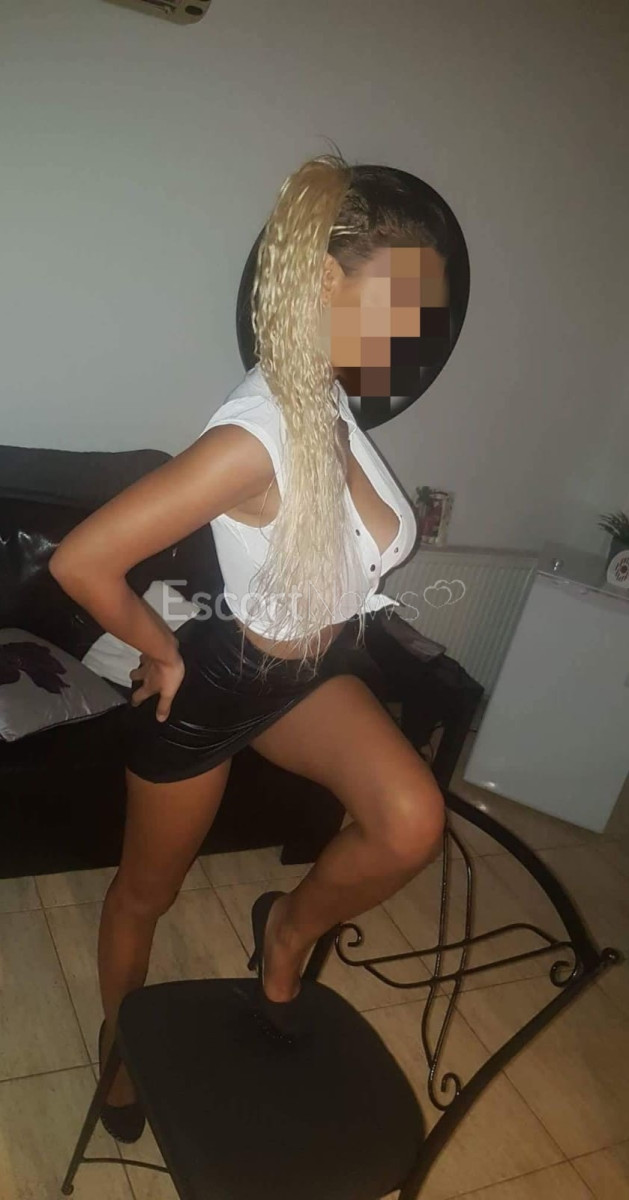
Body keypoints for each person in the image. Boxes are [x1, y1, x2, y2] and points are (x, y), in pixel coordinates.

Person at [48, 153, 448, 1142]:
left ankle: (285, 933)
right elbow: (84, 561)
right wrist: (161, 651)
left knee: (409, 822)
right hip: (216, 691)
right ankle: (120, 1053)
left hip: (307, 675)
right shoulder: (255, 435)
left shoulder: (330, 399)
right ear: (325, 281)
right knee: (145, 895)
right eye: (400, 304)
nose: (413, 332)